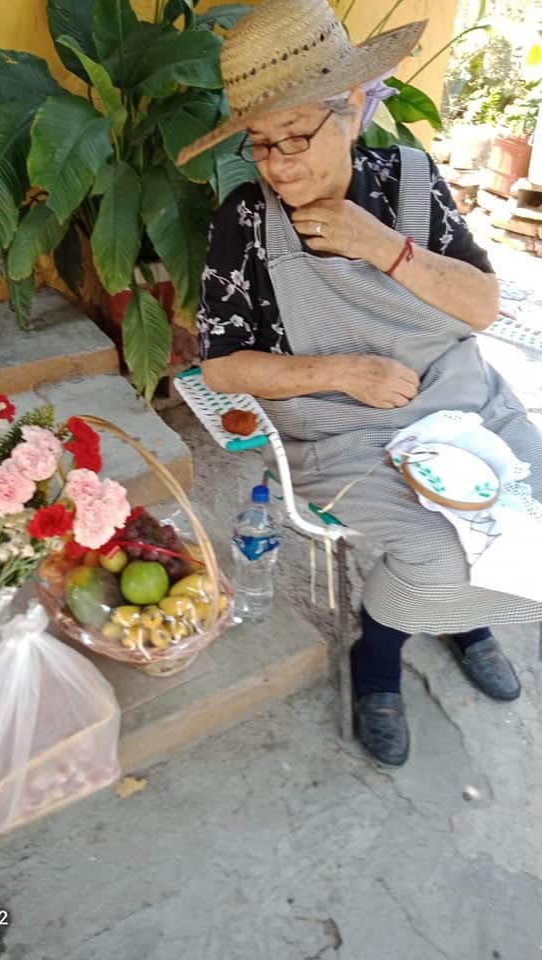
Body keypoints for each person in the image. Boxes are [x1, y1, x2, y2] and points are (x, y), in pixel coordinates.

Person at [177, 0, 542, 766]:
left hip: (463, 403)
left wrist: (383, 246)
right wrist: (343, 370)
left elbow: (479, 306)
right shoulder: (245, 219)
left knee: (529, 533)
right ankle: (378, 660)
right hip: (343, 430)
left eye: (297, 137)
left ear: (350, 109)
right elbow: (222, 364)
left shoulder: (411, 177)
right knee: (436, 557)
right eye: (261, 145)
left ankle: (456, 617)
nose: (277, 166)